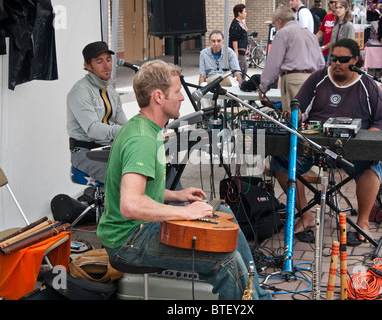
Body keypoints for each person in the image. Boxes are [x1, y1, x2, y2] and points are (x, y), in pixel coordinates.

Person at [96, 60, 272, 300]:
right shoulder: (142, 140)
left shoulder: (146, 128)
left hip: (139, 229)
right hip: (128, 242)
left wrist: (177, 196)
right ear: (158, 96)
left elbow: (139, 190)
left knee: (221, 212)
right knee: (225, 262)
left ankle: (257, 296)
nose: (182, 98)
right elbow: (130, 204)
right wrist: (185, 212)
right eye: (177, 91)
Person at [269, 38, 382, 242]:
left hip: (354, 149)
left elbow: (379, 120)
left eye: (343, 59)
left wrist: (367, 143)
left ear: (355, 60)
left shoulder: (368, 84)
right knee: (281, 163)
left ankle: (363, 221)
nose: (337, 63)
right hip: (316, 147)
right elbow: (297, 107)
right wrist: (290, 115)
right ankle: (305, 215)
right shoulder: (318, 78)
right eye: (333, 58)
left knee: (371, 166)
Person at [67, 41, 127, 183]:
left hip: (108, 149)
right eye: (99, 61)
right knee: (129, 179)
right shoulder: (80, 91)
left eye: (108, 60)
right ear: (87, 66)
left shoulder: (110, 90)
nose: (106, 65)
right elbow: (93, 129)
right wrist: (125, 130)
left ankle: (177, 204)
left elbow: (123, 123)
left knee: (155, 167)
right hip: (84, 153)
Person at [258, 6, 325, 112]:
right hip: (311, 78)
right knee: (306, 117)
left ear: (279, 21)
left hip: (292, 79)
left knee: (293, 118)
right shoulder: (310, 34)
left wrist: (264, 86)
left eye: (274, 24)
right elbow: (321, 63)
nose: (275, 28)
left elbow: (273, 64)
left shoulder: (283, 33)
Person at [229, 4, 249, 80]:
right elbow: (234, 39)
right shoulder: (235, 24)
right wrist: (236, 52)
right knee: (240, 70)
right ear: (239, 13)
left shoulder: (241, 23)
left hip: (243, 50)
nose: (246, 13)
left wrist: (247, 49)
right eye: (244, 11)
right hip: (239, 51)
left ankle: (242, 83)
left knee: (244, 69)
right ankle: (239, 85)